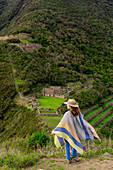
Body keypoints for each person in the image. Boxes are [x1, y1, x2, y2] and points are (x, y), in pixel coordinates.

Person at [51, 99, 101, 164]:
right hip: (75, 132)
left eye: (67, 104)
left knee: (67, 144)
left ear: (69, 106)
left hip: (69, 132)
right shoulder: (78, 113)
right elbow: (82, 122)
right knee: (74, 142)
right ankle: (74, 156)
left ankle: (69, 158)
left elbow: (61, 124)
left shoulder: (68, 114)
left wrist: (54, 131)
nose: (67, 105)